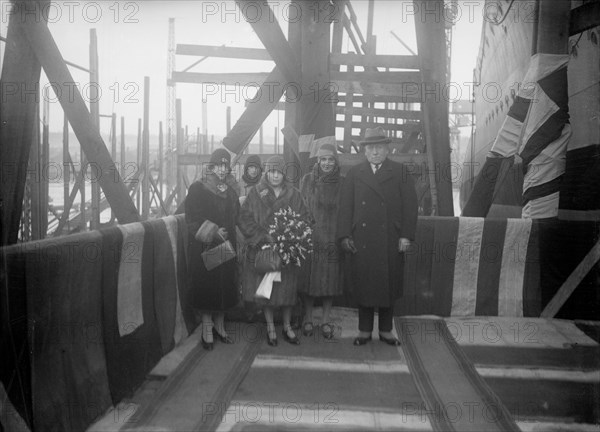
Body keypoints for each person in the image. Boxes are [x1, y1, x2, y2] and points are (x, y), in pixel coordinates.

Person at [337, 127, 418, 346]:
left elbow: (411, 207)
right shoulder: (354, 174)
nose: (375, 152)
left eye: (379, 147)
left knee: (388, 284)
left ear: (387, 149)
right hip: (361, 239)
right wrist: (345, 235)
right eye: (371, 148)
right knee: (364, 284)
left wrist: (406, 236)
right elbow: (345, 207)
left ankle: (385, 330)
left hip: (391, 238)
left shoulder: (400, 172)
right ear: (364, 151)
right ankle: (364, 330)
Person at [238, 155, 311, 346]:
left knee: (287, 291)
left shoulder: (294, 194)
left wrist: (293, 237)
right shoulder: (256, 192)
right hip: (265, 250)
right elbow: (244, 217)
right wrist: (262, 236)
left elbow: (305, 217)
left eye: (278, 172)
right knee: (266, 289)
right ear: (266, 173)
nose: (275, 176)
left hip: (287, 251)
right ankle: (270, 327)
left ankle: (287, 326)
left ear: (284, 173)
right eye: (271, 172)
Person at [185, 148, 240, 350]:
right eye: (219, 165)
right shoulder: (198, 188)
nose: (222, 170)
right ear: (211, 166)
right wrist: (214, 231)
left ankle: (220, 325)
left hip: (226, 246)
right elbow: (192, 219)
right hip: (205, 245)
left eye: (226, 166)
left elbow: (239, 216)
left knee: (224, 285)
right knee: (207, 287)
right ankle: (207, 328)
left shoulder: (230, 191)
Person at [299, 143, 344, 339]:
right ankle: (308, 318)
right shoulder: (307, 180)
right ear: (318, 161)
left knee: (330, 282)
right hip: (311, 238)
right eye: (323, 159)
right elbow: (300, 207)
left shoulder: (343, 183)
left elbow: (347, 211)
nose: (327, 163)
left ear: (335, 161)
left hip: (333, 238)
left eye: (330, 159)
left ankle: (325, 320)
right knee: (309, 281)